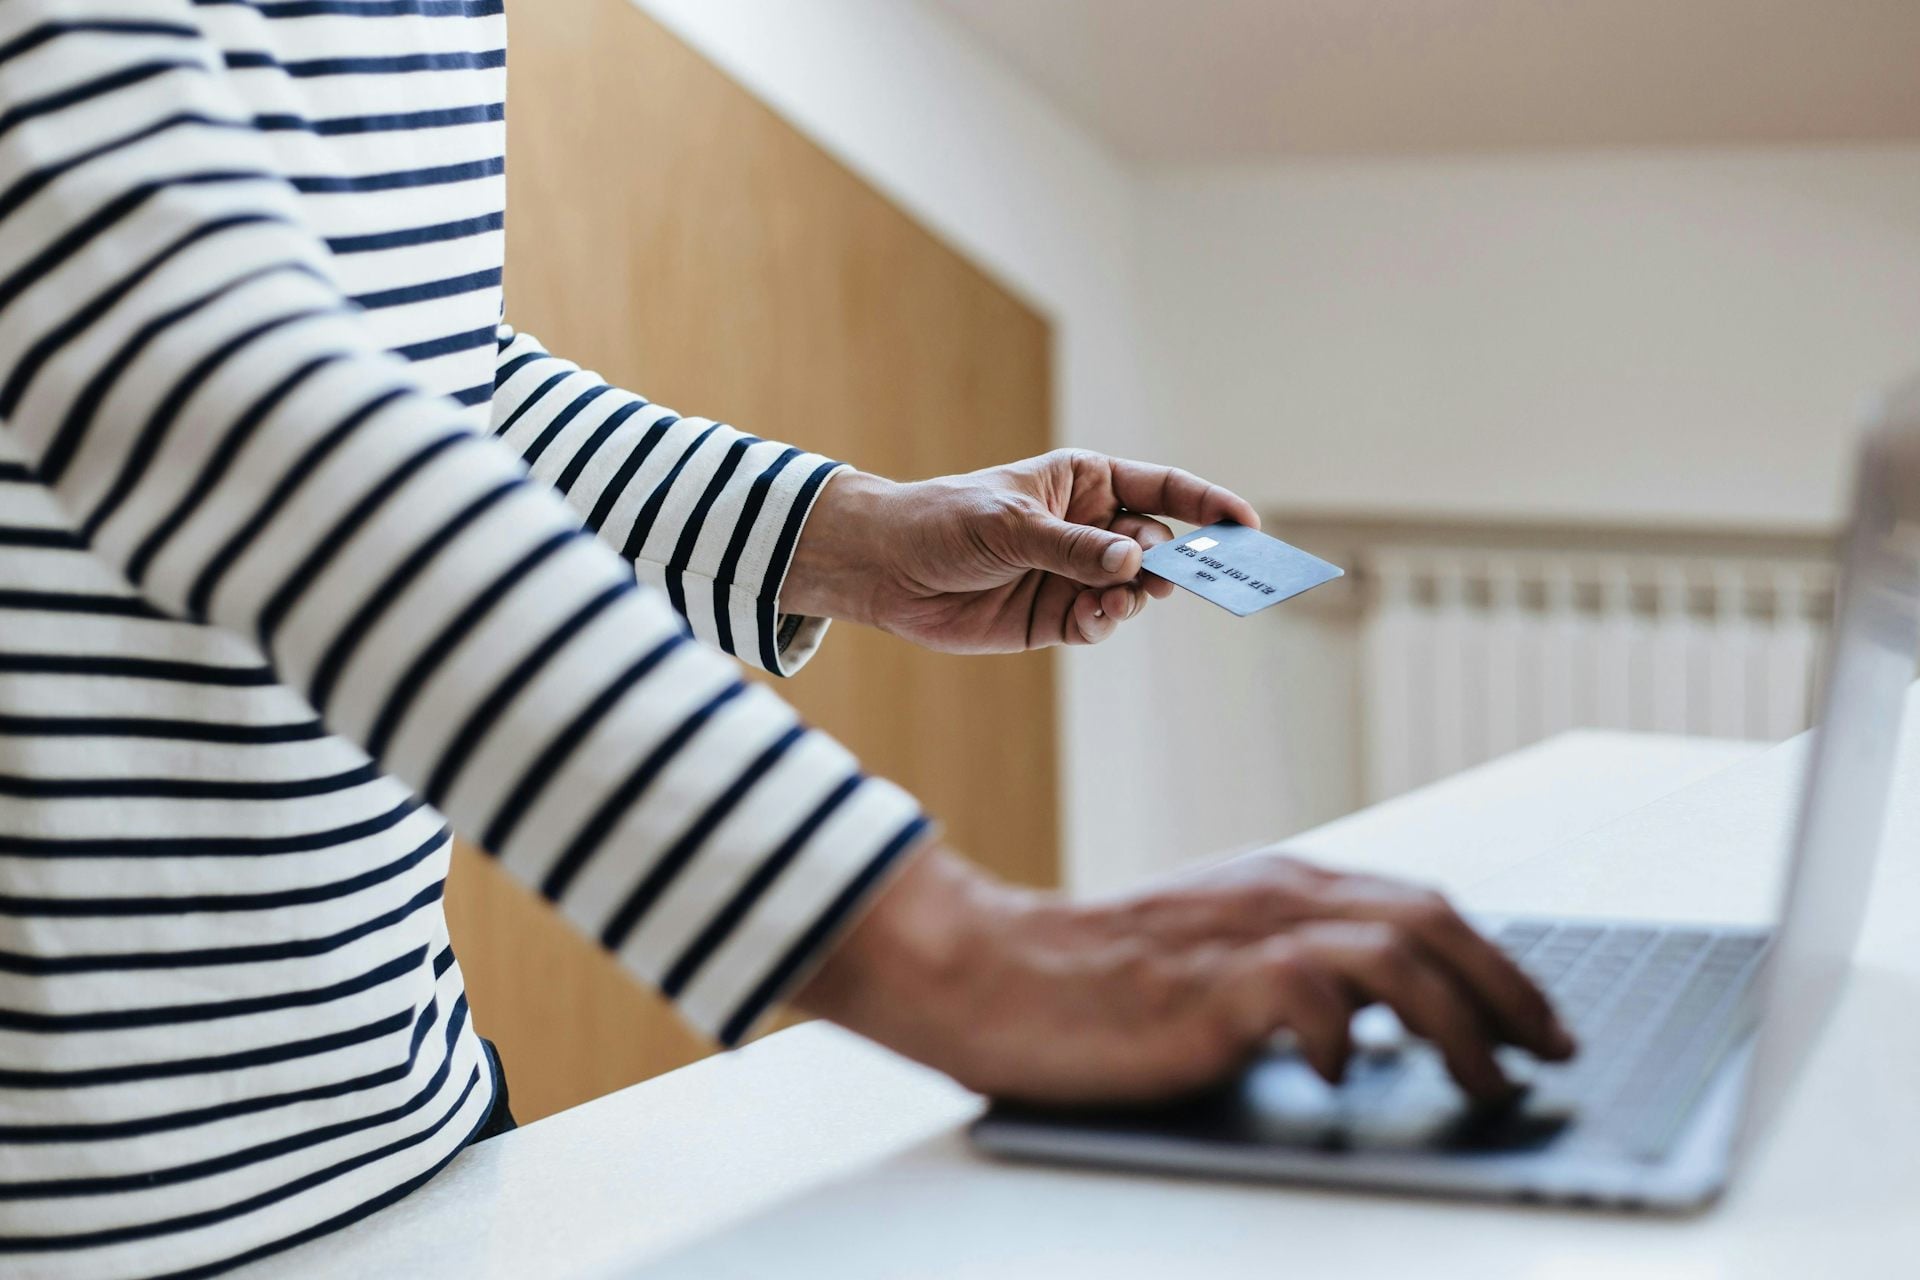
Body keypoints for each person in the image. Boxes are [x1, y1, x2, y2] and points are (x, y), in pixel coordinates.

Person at [0, 4, 1572, 1277]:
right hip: (89, 1206)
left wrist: (837, 536)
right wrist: (948, 951)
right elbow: (192, 371)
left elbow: (404, 365)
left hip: (397, 1133)